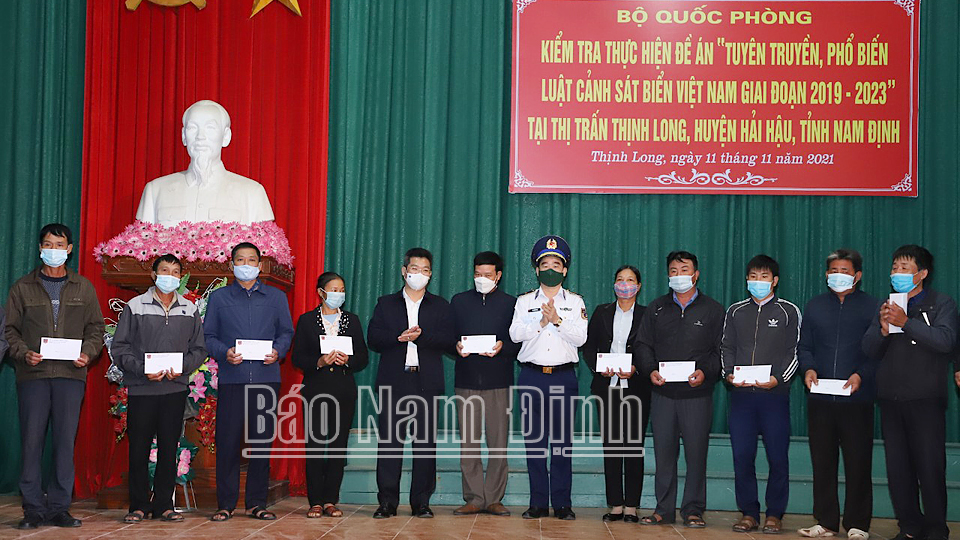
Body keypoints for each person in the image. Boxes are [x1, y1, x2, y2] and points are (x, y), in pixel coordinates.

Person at [5, 223, 104, 530]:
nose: (54, 250)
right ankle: (33, 509)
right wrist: (24, 353)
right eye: (48, 245)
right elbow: (9, 331)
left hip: (70, 376)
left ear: (69, 249)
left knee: (64, 442)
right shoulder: (22, 287)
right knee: (31, 443)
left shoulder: (83, 287)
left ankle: (60, 508)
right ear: (40, 248)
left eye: (60, 245)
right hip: (33, 375)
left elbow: (96, 328)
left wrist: (88, 353)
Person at [862, 245, 956, 540]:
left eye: (904, 268)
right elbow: (868, 350)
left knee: (929, 466)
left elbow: (945, 341)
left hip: (925, 398)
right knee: (898, 469)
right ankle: (910, 526)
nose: (897, 273)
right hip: (891, 398)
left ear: (922, 274)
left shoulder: (941, 303)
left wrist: (906, 323)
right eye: (894, 268)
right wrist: (882, 329)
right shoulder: (887, 304)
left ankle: (936, 528)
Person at [111, 254, 207, 523]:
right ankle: (138, 505)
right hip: (142, 389)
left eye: (175, 272)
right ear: (154, 275)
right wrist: (142, 369)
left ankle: (165, 504)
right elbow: (120, 348)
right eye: (164, 271)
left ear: (180, 277)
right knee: (138, 449)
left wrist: (183, 367)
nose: (170, 276)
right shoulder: (135, 306)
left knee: (169, 448)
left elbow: (199, 349)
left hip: (174, 389)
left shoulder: (189, 308)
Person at [204, 242, 295, 522]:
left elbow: (286, 332)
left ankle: (256, 503)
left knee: (261, 444)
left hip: (266, 380)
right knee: (228, 442)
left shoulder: (276, 297)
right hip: (233, 379)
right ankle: (226, 504)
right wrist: (225, 353)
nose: (246, 265)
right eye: (240, 260)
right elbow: (208, 336)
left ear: (259, 265)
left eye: (251, 260)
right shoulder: (219, 298)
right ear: (232, 265)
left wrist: (278, 351)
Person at [637, 251, 724, 528]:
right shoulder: (657, 308)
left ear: (695, 275)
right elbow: (642, 344)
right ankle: (663, 509)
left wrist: (705, 372)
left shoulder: (713, 309)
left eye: (684, 270)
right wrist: (650, 369)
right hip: (663, 394)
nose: (678, 276)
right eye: (673, 271)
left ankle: (693, 509)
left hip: (696, 395)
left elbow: (720, 351)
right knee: (664, 454)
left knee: (696, 454)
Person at [797, 250, 879, 540]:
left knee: (858, 462)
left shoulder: (873, 306)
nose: (838, 275)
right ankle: (826, 521)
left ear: (857, 275)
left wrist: (860, 375)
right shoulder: (815, 306)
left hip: (857, 399)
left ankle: (858, 524)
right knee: (822, 463)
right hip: (820, 399)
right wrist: (808, 369)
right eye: (833, 270)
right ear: (826, 274)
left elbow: (878, 351)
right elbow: (804, 347)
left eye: (844, 270)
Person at [367, 247, 455, 519]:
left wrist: (421, 337)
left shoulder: (440, 305)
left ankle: (421, 502)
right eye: (414, 269)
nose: (420, 274)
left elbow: (449, 341)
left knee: (425, 444)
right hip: (394, 381)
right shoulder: (386, 303)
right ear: (404, 271)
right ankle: (387, 502)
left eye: (425, 270)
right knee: (390, 443)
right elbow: (373, 338)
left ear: (431, 275)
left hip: (426, 382)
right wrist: (399, 337)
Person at [509, 235, 587, 521]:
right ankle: (538, 503)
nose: (550, 269)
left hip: (564, 378)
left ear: (565, 270)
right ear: (536, 269)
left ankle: (562, 504)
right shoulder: (524, 301)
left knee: (562, 445)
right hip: (532, 377)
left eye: (556, 265)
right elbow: (514, 334)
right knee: (535, 445)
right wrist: (541, 322)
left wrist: (557, 320)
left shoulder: (575, 302)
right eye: (545, 265)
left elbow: (581, 338)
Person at [721, 254, 800, 535]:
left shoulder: (788, 311)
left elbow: (794, 351)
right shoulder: (735, 311)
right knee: (743, 456)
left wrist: (778, 378)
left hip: (774, 396)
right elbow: (726, 347)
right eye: (753, 277)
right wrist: (728, 374)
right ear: (747, 280)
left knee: (778, 457)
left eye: (764, 277)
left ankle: (775, 514)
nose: (758, 282)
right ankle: (749, 513)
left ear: (774, 280)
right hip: (742, 397)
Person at [292, 272, 369, 518]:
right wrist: (319, 361)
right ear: (321, 292)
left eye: (342, 290)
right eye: (334, 289)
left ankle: (330, 500)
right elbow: (297, 357)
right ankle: (315, 501)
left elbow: (363, 357)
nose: (338, 294)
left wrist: (348, 360)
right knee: (315, 446)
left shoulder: (352, 320)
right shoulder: (307, 321)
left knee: (338, 447)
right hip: (316, 390)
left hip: (343, 390)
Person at [449, 251, 520, 517]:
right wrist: (455, 346)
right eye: (478, 274)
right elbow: (448, 336)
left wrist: (503, 347)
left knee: (498, 443)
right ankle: (474, 498)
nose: (482, 279)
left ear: (498, 275)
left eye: (488, 275)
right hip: (466, 380)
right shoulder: (459, 301)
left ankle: (494, 499)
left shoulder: (510, 303)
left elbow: (518, 342)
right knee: (468, 443)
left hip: (498, 382)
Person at [135, 100, 275, 226]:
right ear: (184, 136)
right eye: (192, 128)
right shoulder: (156, 190)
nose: (200, 137)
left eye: (210, 128)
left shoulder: (252, 193)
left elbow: (264, 245)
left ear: (226, 136)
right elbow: (140, 243)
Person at [582, 265, 648, 523]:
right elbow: (589, 347)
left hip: (636, 388)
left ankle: (631, 505)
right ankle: (616, 505)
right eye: (620, 279)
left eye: (630, 280)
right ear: (614, 284)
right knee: (611, 446)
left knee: (633, 446)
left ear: (638, 286)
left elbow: (651, 349)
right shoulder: (602, 312)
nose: (625, 284)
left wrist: (637, 369)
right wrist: (599, 368)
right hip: (607, 387)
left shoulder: (647, 314)